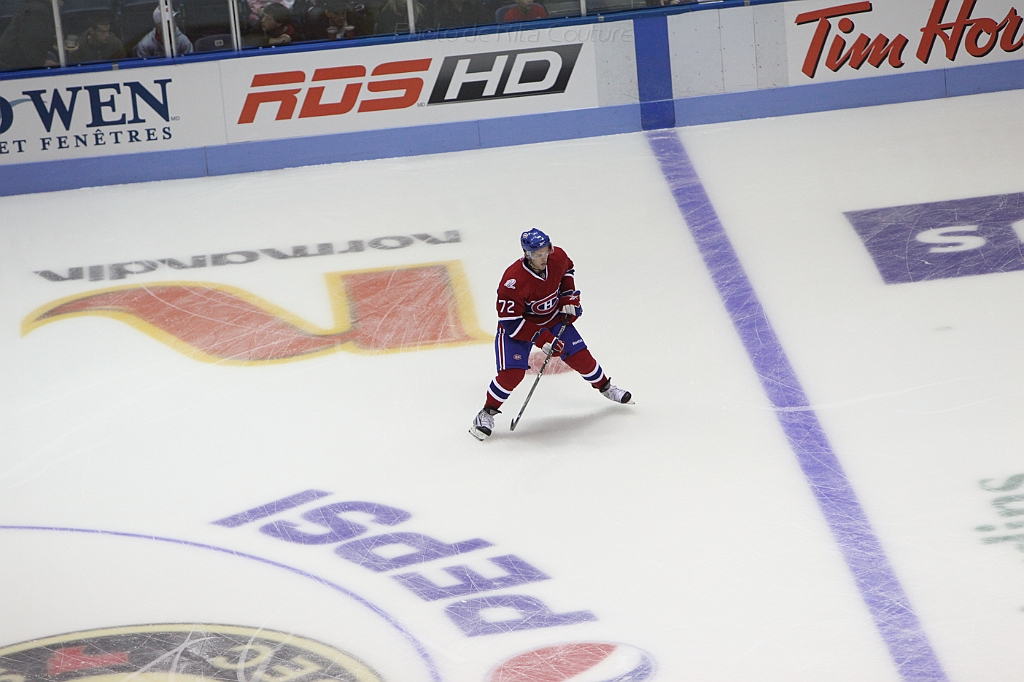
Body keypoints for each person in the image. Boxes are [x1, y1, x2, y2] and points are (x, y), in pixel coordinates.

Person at [470, 228, 633, 440]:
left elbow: (568, 270)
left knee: (581, 358)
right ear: (527, 254)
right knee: (512, 374)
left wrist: (567, 297)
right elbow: (510, 323)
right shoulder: (513, 281)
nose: (543, 257)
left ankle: (606, 387)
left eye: (546, 251)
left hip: (552, 319)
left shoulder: (557, 257)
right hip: (519, 327)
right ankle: (486, 413)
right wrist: (541, 338)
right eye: (537, 254)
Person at [0, 0, 58, 70]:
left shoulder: (35, 7)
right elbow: (28, 43)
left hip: (13, 63)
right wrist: (42, 63)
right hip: (12, 67)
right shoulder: (38, 11)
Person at [303, 0, 371, 39]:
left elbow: (365, 39)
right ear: (327, 13)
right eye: (336, 14)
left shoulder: (356, 21)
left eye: (343, 13)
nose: (341, 17)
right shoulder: (317, 25)